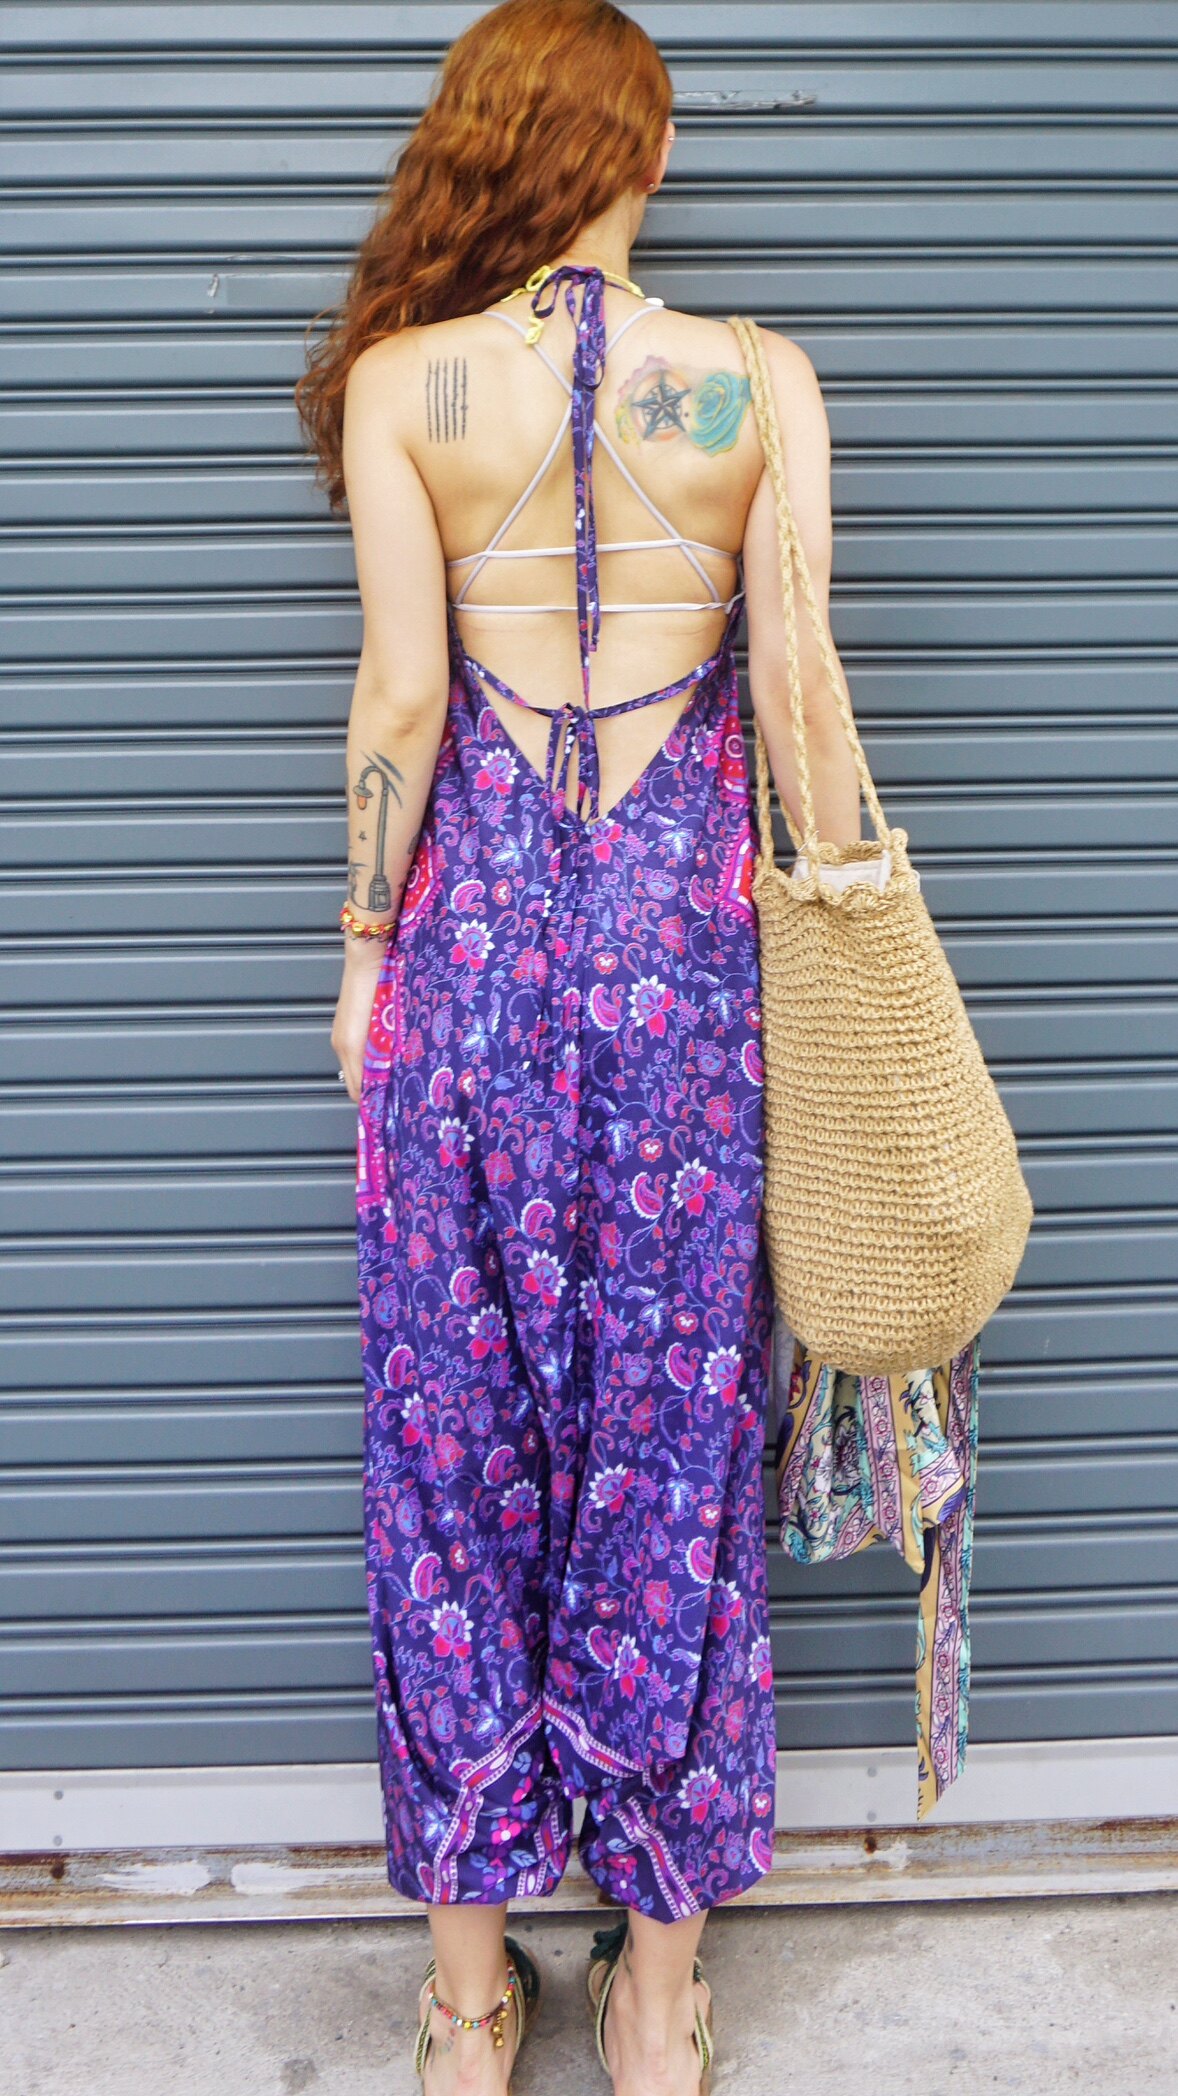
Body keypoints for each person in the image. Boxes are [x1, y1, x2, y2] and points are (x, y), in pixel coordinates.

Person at [295, 3, 859, 2090]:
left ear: (486, 144)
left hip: (471, 974)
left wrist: (363, 954)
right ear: (641, 153)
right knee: (669, 1461)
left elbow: (401, 702)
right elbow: (796, 708)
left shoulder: (405, 386)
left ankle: (466, 2011)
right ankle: (653, 1999)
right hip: (688, 983)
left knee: (450, 1464)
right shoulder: (758, 383)